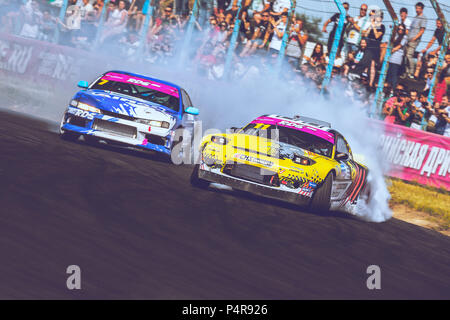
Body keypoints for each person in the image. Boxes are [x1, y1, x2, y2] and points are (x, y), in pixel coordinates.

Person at [404, 2, 427, 79]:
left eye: (419, 8)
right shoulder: (415, 17)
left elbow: (422, 30)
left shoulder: (423, 18)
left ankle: (411, 72)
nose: (417, 10)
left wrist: (415, 38)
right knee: (406, 56)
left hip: (414, 40)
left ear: (422, 9)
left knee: (409, 55)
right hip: (408, 39)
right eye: (416, 8)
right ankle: (406, 72)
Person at [386, 24, 407, 89]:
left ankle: (393, 89)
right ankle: (387, 88)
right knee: (388, 74)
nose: (400, 30)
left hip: (397, 58)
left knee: (394, 75)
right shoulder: (395, 35)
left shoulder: (404, 37)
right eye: (399, 29)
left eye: (402, 29)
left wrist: (391, 50)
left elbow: (400, 46)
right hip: (391, 57)